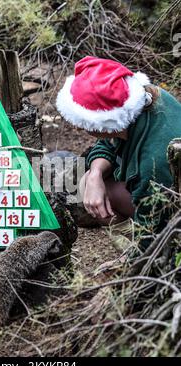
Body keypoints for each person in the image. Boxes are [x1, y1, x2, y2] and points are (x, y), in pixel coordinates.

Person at [56, 56, 181, 244]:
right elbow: (108, 142)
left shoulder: (152, 164)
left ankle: (130, 243)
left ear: (106, 124)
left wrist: (136, 261)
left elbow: (156, 220)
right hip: (161, 190)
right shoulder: (142, 101)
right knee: (88, 180)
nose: (78, 128)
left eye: (84, 123)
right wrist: (95, 174)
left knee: (99, 192)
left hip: (168, 205)